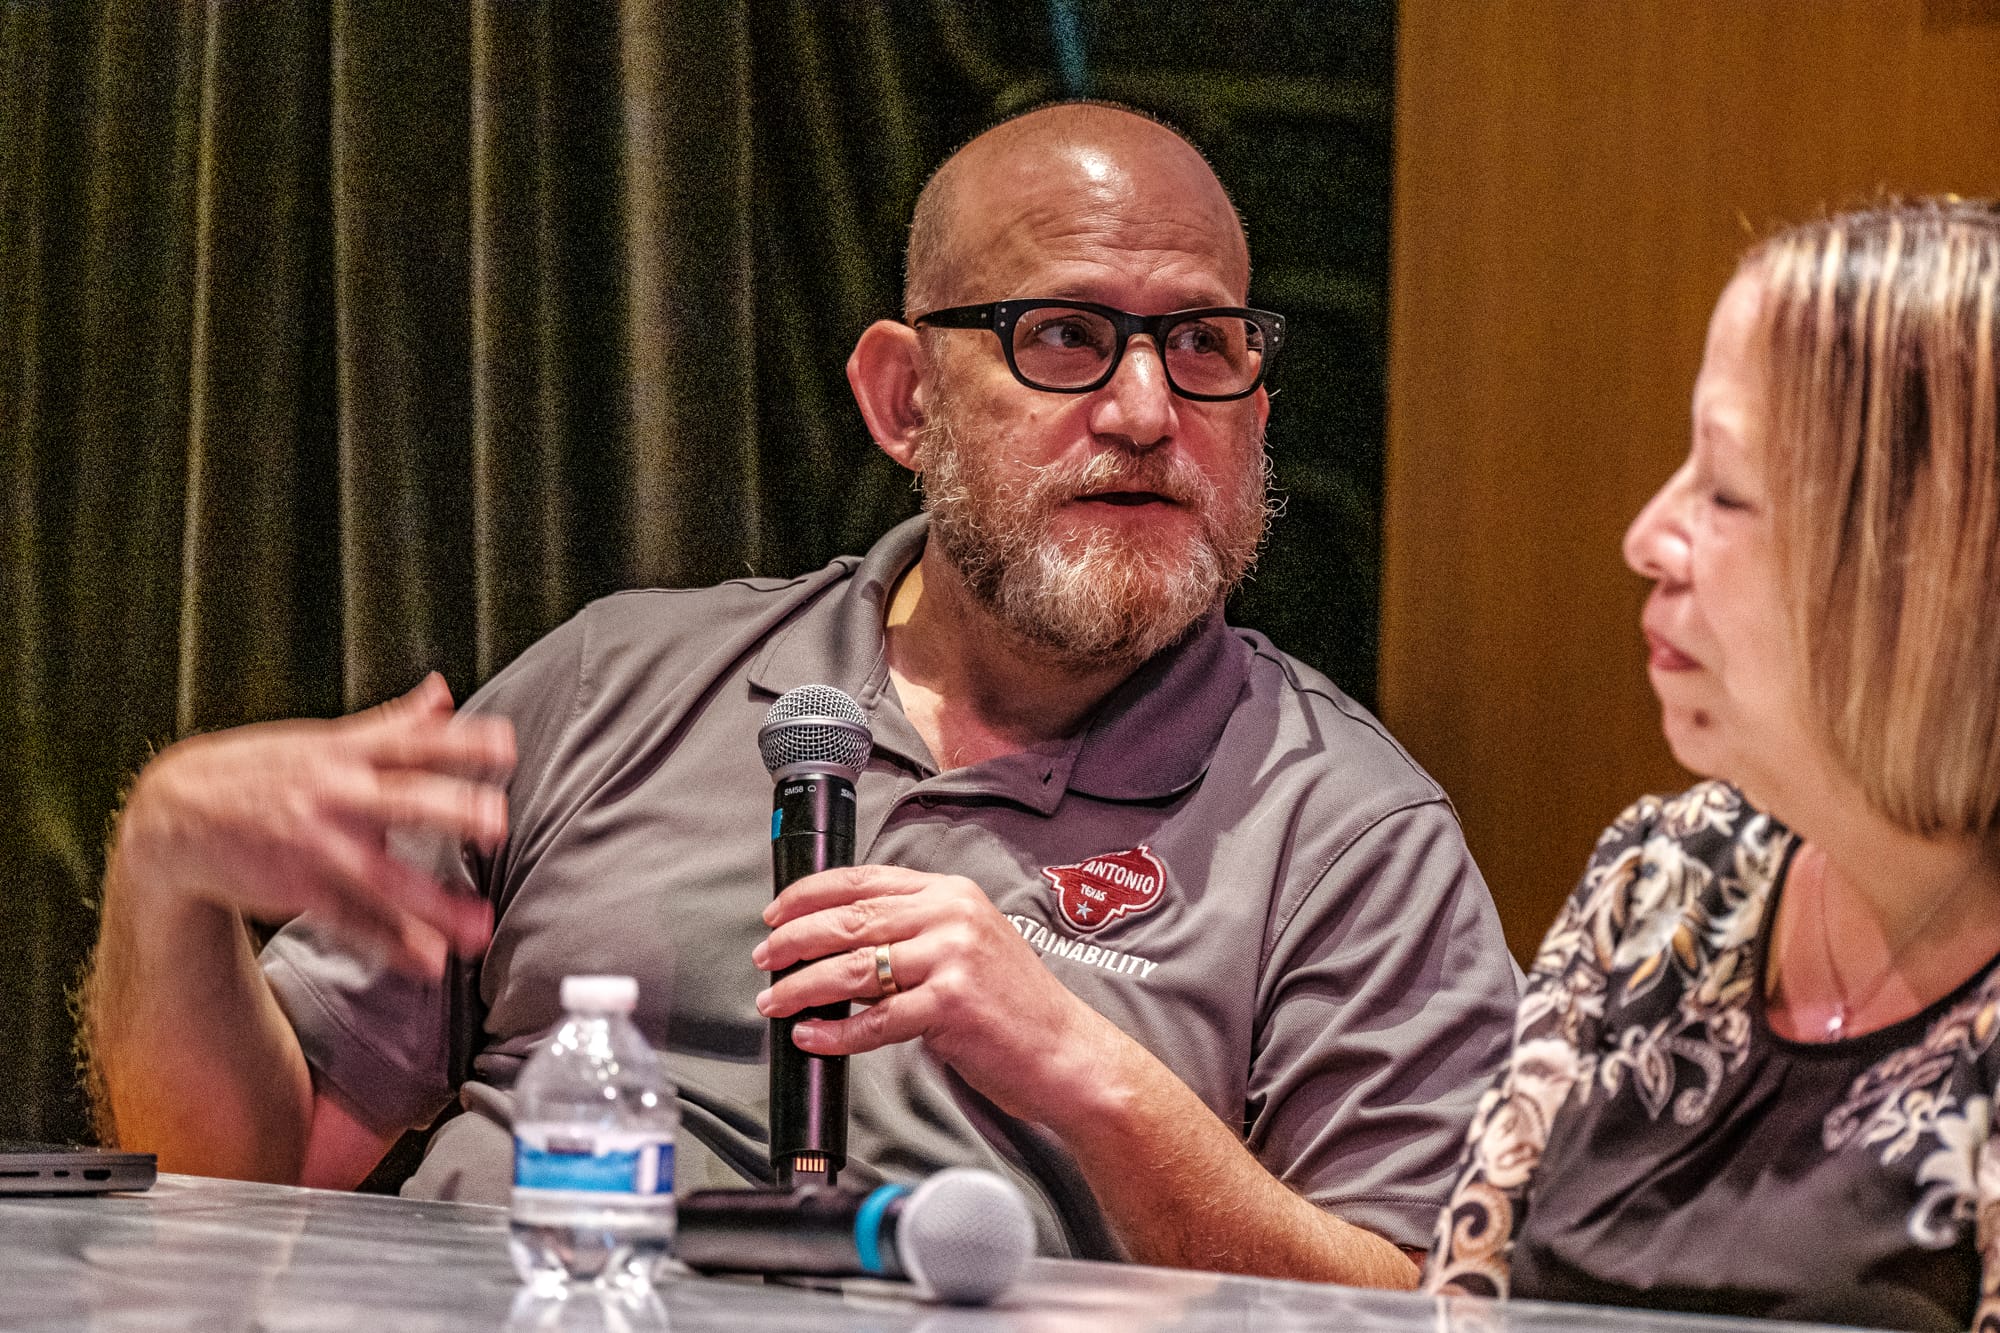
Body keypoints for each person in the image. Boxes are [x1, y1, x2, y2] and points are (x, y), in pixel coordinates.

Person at [84, 102, 1518, 1286]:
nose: (1146, 411)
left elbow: (1427, 1303)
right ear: (904, 400)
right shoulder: (615, 682)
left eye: (1201, 345)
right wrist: (168, 874)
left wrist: (1082, 1071)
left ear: (1256, 406)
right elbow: (242, 1182)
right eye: (1064, 337)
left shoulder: (1345, 829)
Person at [1425, 200, 2000, 1329]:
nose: (1646, 536)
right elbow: (1459, 1306)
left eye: (1725, 490)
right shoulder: (1660, 879)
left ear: (1924, 567)